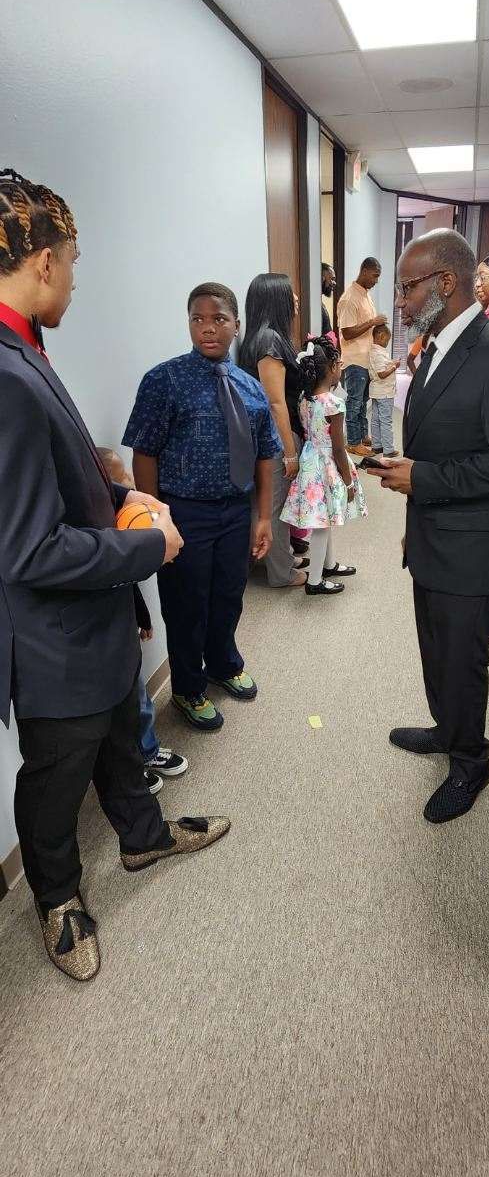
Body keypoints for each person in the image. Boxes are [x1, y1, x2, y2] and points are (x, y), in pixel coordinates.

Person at [0, 170, 230, 981]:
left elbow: (52, 479)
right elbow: (25, 550)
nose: (75, 274)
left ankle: (143, 837)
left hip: (91, 620)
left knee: (118, 742)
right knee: (57, 776)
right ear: (40, 263)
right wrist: (146, 549)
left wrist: (121, 488)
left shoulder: (24, 349)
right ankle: (57, 898)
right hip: (51, 636)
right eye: (72, 258)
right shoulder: (3, 371)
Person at [365, 228, 489, 824]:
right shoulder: (435, 347)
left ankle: (472, 762)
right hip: (433, 537)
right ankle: (447, 729)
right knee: (436, 649)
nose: (400, 302)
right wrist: (413, 492)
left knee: (464, 661)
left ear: (445, 282)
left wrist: (426, 479)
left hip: (474, 549)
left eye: (406, 288)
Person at [123, 282, 278, 732]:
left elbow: (268, 453)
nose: (207, 329)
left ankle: (224, 664)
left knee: (229, 595)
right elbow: (144, 452)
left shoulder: (249, 387)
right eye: (197, 319)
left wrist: (263, 516)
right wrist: (157, 518)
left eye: (218, 319)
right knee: (187, 604)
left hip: (234, 511)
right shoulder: (163, 380)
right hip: (183, 512)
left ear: (236, 325)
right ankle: (188, 689)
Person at [97, 448, 189, 794]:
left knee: (140, 698)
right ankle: (129, 765)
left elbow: (129, 587)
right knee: (116, 711)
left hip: (124, 631)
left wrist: (143, 617)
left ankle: (148, 751)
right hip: (97, 642)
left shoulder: (126, 534)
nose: (131, 487)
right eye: (123, 481)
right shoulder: (100, 541)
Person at [281, 336, 367, 596]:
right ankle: (314, 581)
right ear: (331, 368)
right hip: (327, 465)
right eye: (339, 363)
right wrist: (349, 482)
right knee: (321, 525)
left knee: (324, 519)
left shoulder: (305, 400)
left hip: (310, 461)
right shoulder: (333, 403)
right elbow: (339, 449)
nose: (340, 368)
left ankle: (328, 565)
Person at [239, 272, 308, 588]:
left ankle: (276, 559)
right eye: (291, 293)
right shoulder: (269, 340)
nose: (296, 299)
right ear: (276, 299)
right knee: (274, 508)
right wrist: (290, 453)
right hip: (277, 438)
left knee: (269, 504)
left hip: (267, 437)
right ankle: (281, 573)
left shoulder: (264, 336)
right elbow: (275, 402)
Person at [336, 256, 387, 457]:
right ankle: (353, 442)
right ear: (365, 271)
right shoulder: (349, 298)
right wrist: (373, 322)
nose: (376, 280)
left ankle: (362, 436)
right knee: (354, 402)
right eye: (375, 276)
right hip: (355, 360)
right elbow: (347, 332)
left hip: (367, 359)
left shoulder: (365, 295)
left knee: (363, 401)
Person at [368, 322, 399, 458]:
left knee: (375, 419)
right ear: (380, 336)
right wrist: (395, 366)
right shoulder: (378, 353)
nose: (387, 342)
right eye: (387, 339)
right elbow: (382, 373)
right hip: (385, 392)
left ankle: (377, 445)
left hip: (377, 392)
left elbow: (381, 367)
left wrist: (391, 363)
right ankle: (388, 449)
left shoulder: (374, 351)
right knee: (386, 420)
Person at [321, 262, 337, 342]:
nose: (334, 283)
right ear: (322, 278)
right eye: (332, 279)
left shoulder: (320, 305)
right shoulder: (315, 307)